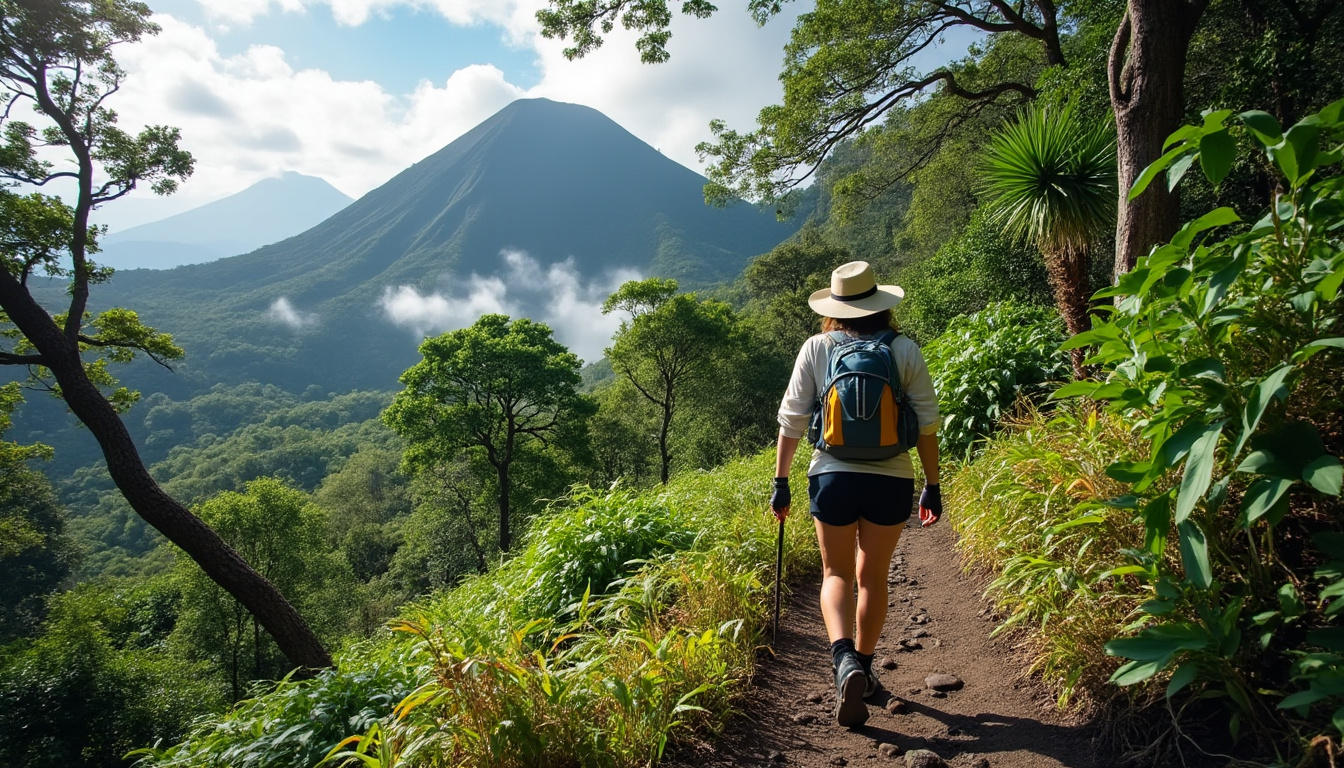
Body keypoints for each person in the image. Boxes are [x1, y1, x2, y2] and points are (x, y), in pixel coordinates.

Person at [769, 260, 942, 728]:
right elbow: (926, 424)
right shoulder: (904, 349)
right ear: (880, 304)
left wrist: (781, 482)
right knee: (874, 576)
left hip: (831, 477)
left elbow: (792, 420)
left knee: (836, 573)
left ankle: (842, 659)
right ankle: (863, 666)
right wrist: (932, 484)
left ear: (835, 306)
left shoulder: (817, 347)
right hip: (891, 479)